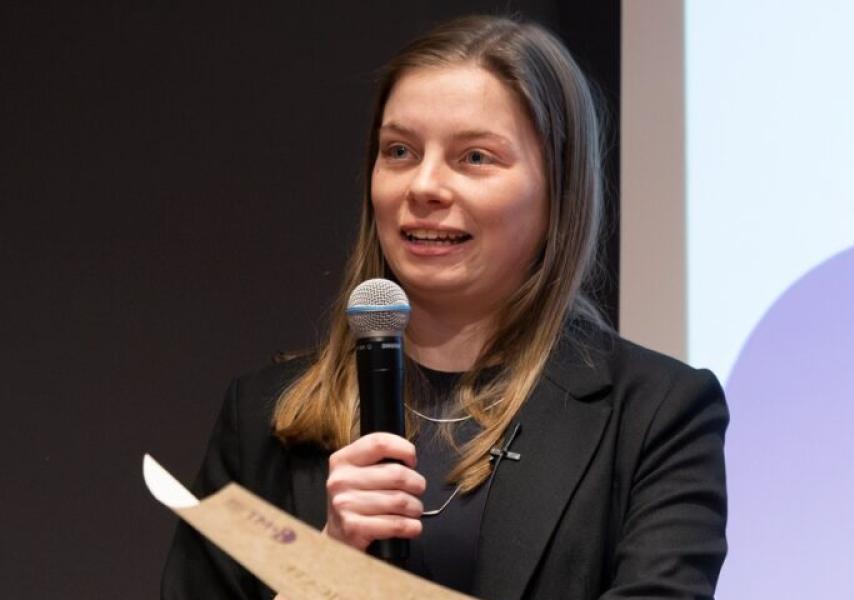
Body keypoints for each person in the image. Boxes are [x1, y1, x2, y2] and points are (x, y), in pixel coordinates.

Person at [162, 15, 728, 600]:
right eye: (400, 151)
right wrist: (323, 570)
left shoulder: (656, 416)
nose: (424, 186)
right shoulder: (263, 417)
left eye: (475, 157)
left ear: (558, 188)